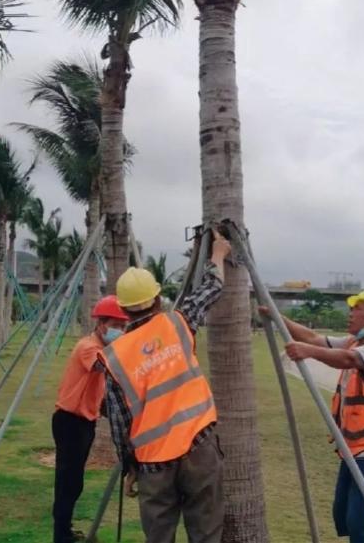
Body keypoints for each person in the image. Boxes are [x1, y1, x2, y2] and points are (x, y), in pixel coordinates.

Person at [99, 230, 231, 543]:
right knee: (207, 533)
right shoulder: (178, 322)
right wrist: (218, 255)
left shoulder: (114, 356)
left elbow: (120, 423)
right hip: (198, 447)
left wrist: (130, 467)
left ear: (124, 308)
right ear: (158, 299)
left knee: (158, 538)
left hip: (153, 464)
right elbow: (210, 289)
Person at [268, 287, 364, 543]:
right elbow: (314, 338)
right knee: (342, 514)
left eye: (357, 309)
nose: (350, 314)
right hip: (354, 448)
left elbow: (348, 359)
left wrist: (308, 352)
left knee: (358, 519)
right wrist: (277, 317)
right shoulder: (355, 342)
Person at [52, 295, 128, 543]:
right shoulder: (89, 347)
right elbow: (104, 367)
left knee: (73, 482)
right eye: (116, 325)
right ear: (101, 324)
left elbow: (99, 389)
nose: (120, 330)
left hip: (84, 421)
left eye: (123, 326)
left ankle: (65, 529)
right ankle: (61, 536)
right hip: (70, 421)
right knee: (68, 482)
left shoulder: (101, 347)